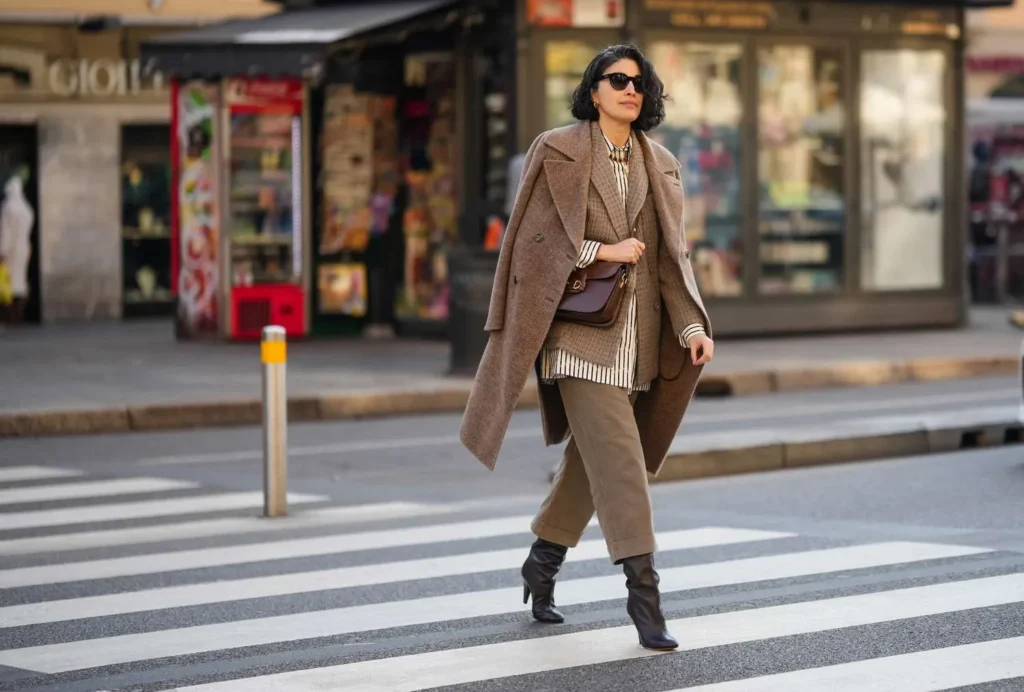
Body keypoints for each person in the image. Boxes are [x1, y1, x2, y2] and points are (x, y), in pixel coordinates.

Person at [460, 44, 714, 650]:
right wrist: (604, 251)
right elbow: (532, 245)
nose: (630, 89)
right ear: (593, 90)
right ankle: (645, 597)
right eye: (617, 79)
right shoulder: (558, 150)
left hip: (636, 342)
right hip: (577, 336)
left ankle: (541, 563)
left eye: (640, 82)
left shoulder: (662, 164)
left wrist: (691, 327)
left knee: (591, 461)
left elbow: (672, 262)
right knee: (622, 462)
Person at [0, 176, 34, 326]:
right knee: (20, 283)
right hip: (23, 249)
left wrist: (2, 252)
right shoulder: (27, 209)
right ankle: (19, 316)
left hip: (11, 251)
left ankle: (8, 317)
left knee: (7, 284)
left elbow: (5, 233)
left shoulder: (8, 208)